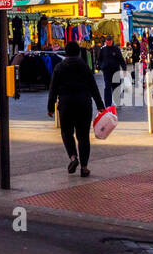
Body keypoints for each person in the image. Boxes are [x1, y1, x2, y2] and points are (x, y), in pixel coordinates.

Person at [47, 40, 105, 177]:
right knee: (83, 136)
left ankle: (73, 157)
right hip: (84, 104)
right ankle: (84, 168)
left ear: (65, 53)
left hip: (66, 105)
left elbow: (53, 89)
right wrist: (100, 106)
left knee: (67, 133)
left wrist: (50, 107)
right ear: (79, 52)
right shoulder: (84, 66)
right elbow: (93, 87)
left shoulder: (59, 67)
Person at [97, 38, 125, 108]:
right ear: (105, 41)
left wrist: (124, 69)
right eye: (107, 40)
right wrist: (101, 66)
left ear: (112, 41)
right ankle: (108, 105)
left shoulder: (116, 49)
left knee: (116, 87)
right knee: (107, 87)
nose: (108, 42)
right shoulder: (103, 49)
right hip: (106, 72)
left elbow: (121, 59)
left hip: (116, 71)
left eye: (110, 40)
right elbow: (99, 59)